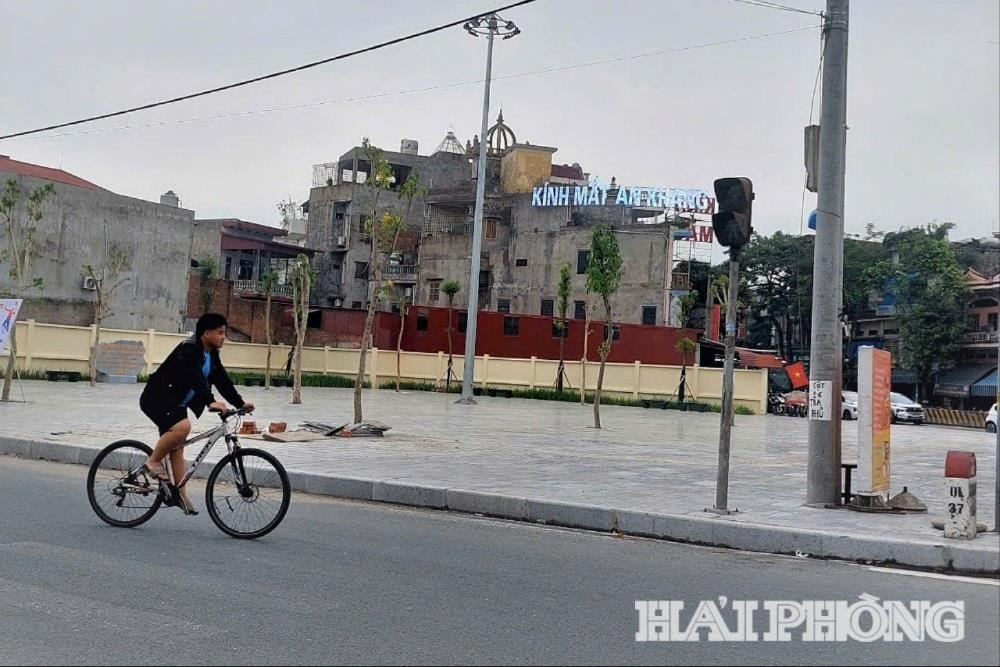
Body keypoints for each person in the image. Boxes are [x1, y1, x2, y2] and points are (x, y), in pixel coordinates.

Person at [139, 313, 254, 515]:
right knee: (183, 427)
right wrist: (211, 401)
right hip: (156, 398)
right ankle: (153, 461)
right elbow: (195, 378)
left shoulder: (210, 353)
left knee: (178, 447)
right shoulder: (190, 349)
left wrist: (240, 403)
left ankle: (180, 495)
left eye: (224, 333)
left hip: (175, 402)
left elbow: (222, 380)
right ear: (206, 333)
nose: (223, 337)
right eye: (220, 333)